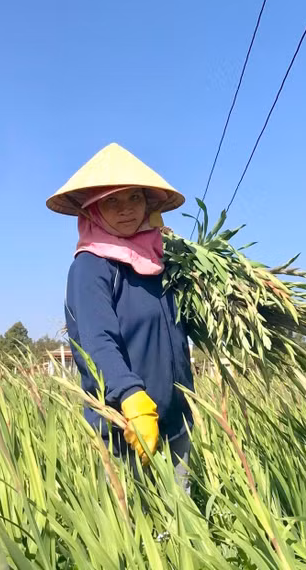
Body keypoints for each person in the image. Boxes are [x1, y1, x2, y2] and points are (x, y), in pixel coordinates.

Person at [46, 143, 195, 491]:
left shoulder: (159, 263)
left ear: (148, 204)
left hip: (175, 421)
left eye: (134, 199)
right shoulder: (92, 266)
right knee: (134, 532)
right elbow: (97, 340)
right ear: (94, 209)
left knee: (182, 531)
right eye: (111, 201)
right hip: (126, 428)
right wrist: (131, 398)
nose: (125, 210)